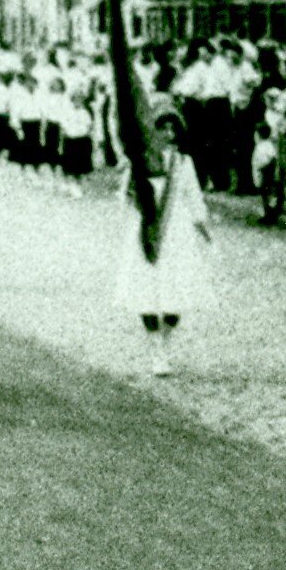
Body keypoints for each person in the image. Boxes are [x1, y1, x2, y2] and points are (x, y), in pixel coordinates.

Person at [112, 108, 212, 377]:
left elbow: (194, 197)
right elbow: (124, 196)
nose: (169, 134)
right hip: (148, 228)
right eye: (163, 128)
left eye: (173, 129)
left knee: (178, 290)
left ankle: (165, 342)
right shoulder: (140, 160)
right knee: (146, 289)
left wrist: (204, 230)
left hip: (177, 229)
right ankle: (156, 347)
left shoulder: (183, 162)